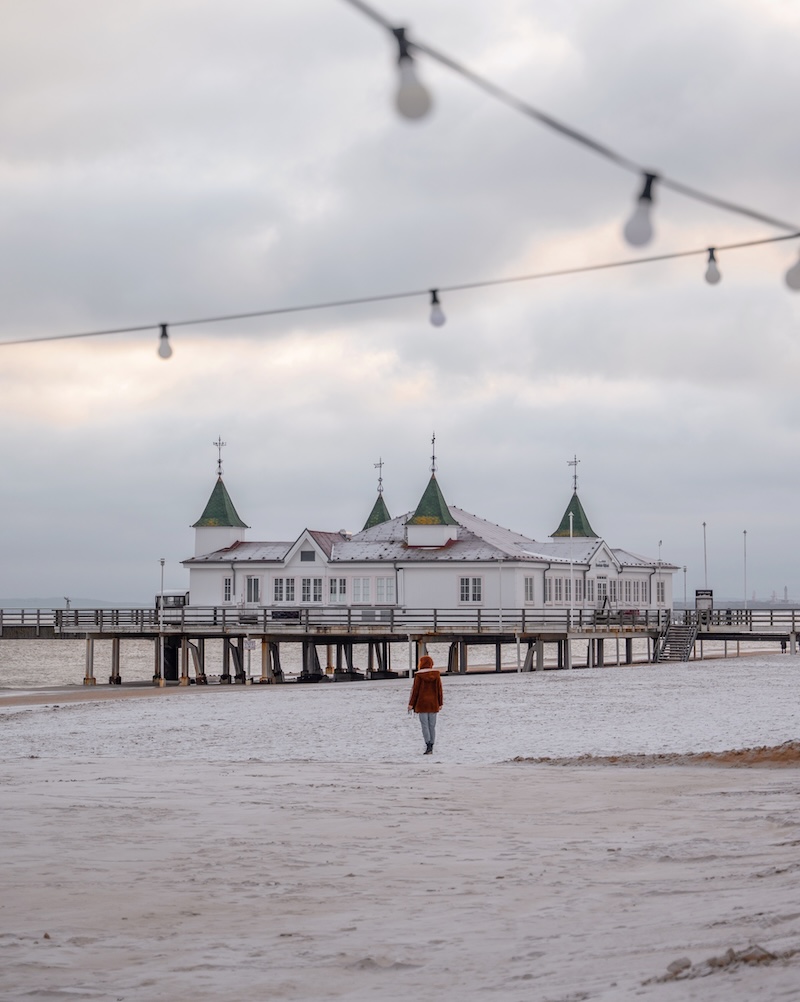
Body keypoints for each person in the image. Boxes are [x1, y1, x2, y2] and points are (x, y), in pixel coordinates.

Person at [408, 654, 443, 755]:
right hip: (433, 703)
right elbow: (439, 690)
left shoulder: (419, 675)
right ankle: (432, 744)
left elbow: (415, 691)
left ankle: (428, 745)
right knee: (432, 726)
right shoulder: (436, 675)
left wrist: (411, 704)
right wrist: (440, 703)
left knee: (425, 726)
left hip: (422, 703)